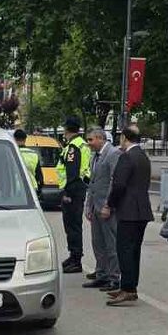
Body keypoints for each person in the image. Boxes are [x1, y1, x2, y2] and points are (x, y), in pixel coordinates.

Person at [105, 126, 154, 306]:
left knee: (124, 250)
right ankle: (129, 286)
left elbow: (119, 185)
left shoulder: (126, 157)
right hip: (142, 210)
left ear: (125, 138)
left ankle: (127, 289)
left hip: (128, 210)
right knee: (134, 251)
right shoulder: (143, 156)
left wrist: (110, 204)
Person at [83, 128, 120, 290]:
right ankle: (101, 274)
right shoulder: (94, 157)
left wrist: (108, 205)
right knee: (98, 243)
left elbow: (114, 181)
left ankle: (114, 277)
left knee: (111, 244)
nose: (88, 143)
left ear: (100, 138)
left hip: (107, 208)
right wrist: (88, 205)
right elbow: (93, 183)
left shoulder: (112, 154)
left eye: (90, 140)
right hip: (95, 206)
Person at [57, 117, 91, 273]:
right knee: (73, 226)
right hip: (78, 189)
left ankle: (76, 260)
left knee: (72, 226)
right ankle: (73, 256)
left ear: (67, 130)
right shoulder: (82, 144)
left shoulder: (73, 147)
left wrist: (67, 193)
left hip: (73, 191)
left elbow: (72, 172)